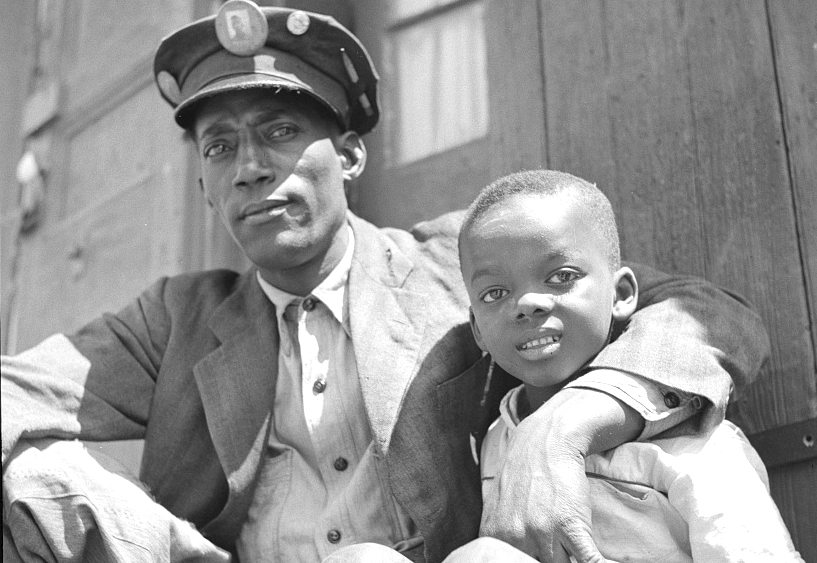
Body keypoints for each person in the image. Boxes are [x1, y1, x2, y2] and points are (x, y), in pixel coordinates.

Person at [1, 3, 769, 563]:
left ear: (351, 159)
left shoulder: (455, 263)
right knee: (31, 471)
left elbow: (709, 316)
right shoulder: (175, 316)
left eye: (278, 133)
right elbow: (15, 391)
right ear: (205, 185)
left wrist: (565, 422)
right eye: (220, 146)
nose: (251, 167)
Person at [453, 170, 802, 562]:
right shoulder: (497, 440)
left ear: (620, 294)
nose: (527, 303)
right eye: (495, 292)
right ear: (477, 331)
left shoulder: (699, 444)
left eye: (560, 277)